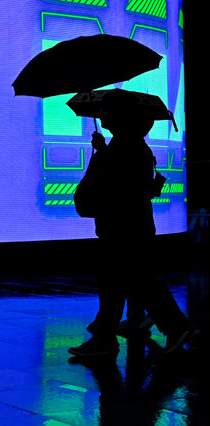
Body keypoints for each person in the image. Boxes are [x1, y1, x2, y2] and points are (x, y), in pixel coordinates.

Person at [69, 91, 196, 358]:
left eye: (109, 112)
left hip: (122, 227)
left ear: (121, 118)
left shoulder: (126, 147)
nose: (103, 115)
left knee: (132, 282)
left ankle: (174, 325)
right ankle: (104, 338)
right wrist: (103, 150)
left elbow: (119, 184)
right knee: (121, 283)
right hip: (129, 225)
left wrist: (102, 154)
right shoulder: (131, 146)